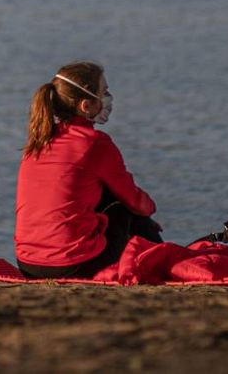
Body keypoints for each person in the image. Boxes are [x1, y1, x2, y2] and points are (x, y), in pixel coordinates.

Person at [14, 61, 162, 279]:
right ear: (86, 106)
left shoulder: (38, 142)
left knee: (98, 192)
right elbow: (135, 201)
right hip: (73, 265)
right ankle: (163, 260)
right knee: (121, 205)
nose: (108, 98)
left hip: (27, 264)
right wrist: (150, 211)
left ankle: (159, 255)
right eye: (104, 92)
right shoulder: (95, 144)